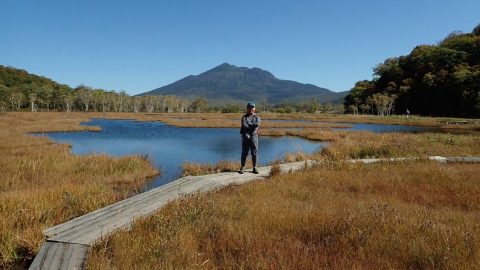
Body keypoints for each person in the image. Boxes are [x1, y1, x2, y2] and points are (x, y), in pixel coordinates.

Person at [239, 102, 260, 174]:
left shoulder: (257, 117)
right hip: (245, 137)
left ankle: (255, 168)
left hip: (254, 137)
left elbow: (257, 124)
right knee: (244, 152)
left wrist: (250, 125)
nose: (251, 109)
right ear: (247, 108)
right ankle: (242, 167)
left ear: (254, 109)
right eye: (250, 107)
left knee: (254, 152)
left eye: (252, 107)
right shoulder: (244, 117)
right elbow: (244, 125)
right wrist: (252, 125)